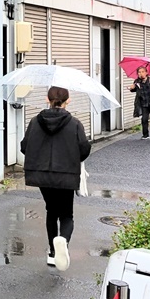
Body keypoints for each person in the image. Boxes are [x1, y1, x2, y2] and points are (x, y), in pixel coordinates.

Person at [20, 86, 91, 271]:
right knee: (66, 215)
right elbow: (84, 149)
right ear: (68, 100)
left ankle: (52, 252)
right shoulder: (75, 123)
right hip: (66, 175)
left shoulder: (36, 121)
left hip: (42, 175)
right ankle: (63, 242)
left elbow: (24, 146)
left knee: (51, 211)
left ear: (47, 99)